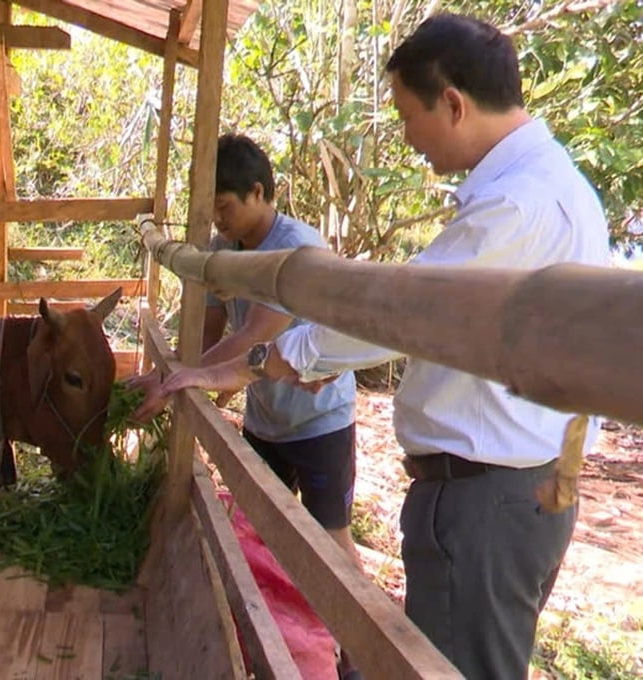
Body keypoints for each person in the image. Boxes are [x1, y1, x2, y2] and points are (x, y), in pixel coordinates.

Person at [155, 14, 611, 680]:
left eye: (405, 115)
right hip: (501, 489)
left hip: (488, 500)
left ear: (452, 103)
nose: (405, 136)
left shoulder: (517, 206)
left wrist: (268, 361)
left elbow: (396, 312)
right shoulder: (541, 187)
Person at [131, 133, 364, 678]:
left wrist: (189, 379)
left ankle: (355, 654)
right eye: (212, 212)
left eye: (227, 208)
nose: (220, 222)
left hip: (318, 418)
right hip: (267, 416)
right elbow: (214, 329)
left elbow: (253, 338)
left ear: (259, 192)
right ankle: (264, 637)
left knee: (330, 536)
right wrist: (184, 373)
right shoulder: (223, 253)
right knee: (258, 525)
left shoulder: (297, 250)